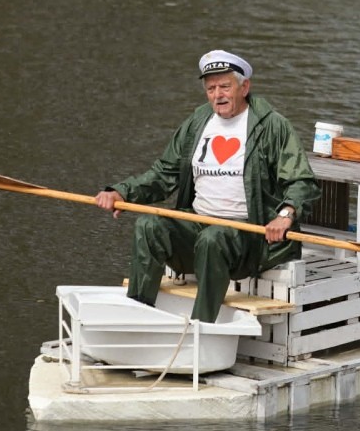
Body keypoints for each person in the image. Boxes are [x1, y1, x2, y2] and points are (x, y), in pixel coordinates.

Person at [95, 50, 321, 323]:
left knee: (214, 239)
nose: (218, 95)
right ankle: (137, 316)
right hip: (198, 226)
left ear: (244, 87)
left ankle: (201, 327)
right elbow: (164, 173)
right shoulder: (198, 122)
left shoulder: (273, 126)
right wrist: (122, 192)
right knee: (149, 226)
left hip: (249, 236)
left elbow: (302, 182)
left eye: (225, 86)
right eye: (211, 88)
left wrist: (285, 215)